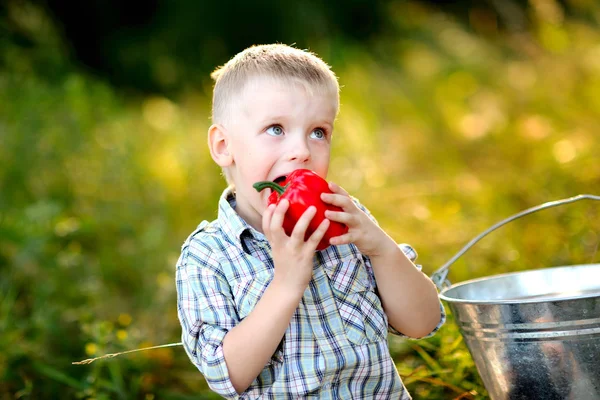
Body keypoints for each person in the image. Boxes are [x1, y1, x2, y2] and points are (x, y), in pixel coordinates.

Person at [176, 43, 446, 399]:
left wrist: (382, 249)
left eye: (318, 132)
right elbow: (225, 375)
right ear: (224, 145)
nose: (302, 150)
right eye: (276, 128)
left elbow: (423, 323)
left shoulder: (346, 220)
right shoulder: (208, 256)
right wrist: (287, 283)